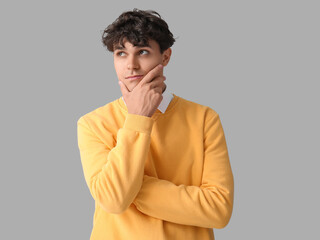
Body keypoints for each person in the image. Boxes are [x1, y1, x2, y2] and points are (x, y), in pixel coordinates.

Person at [77, 8, 234, 240]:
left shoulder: (204, 118)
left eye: (142, 52)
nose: (131, 65)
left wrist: (132, 188)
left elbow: (219, 210)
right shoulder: (93, 123)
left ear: (165, 57)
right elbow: (113, 200)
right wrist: (138, 118)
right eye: (121, 53)